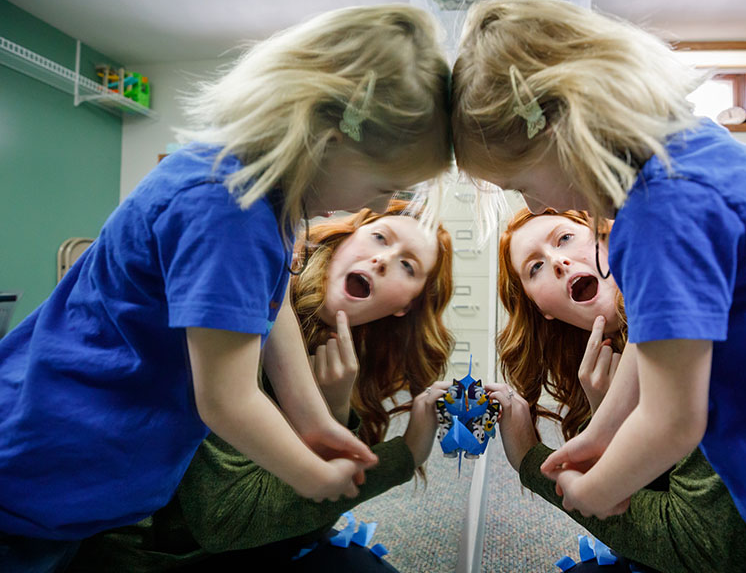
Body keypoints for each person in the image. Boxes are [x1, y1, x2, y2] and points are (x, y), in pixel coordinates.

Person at [451, 0, 746, 573]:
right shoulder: (694, 150)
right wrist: (599, 436)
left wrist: (599, 489)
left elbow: (673, 421)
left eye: (521, 182)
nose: (535, 205)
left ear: (560, 132)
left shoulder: (656, 213)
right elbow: (649, 340)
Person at [0, 4, 451, 572]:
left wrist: (313, 421)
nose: (381, 204)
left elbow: (271, 307)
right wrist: (311, 474)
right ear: (329, 138)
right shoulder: (228, 207)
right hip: (46, 470)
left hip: (80, 471)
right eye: (386, 185)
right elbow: (226, 399)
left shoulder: (262, 197)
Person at [67, 200, 456, 572]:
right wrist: (405, 454)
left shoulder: (348, 356)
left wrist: (335, 410)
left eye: (408, 265)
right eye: (380, 238)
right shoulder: (249, 305)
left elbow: (302, 528)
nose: (382, 260)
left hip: (242, 547)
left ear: (407, 305)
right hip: (152, 554)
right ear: (345, 239)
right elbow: (227, 517)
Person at [488, 208, 746, 573]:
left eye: (564, 238)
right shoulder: (603, 366)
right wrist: (610, 419)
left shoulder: (693, 329)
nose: (557, 262)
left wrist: (530, 459)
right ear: (541, 309)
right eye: (535, 267)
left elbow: (700, 547)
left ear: (606, 237)